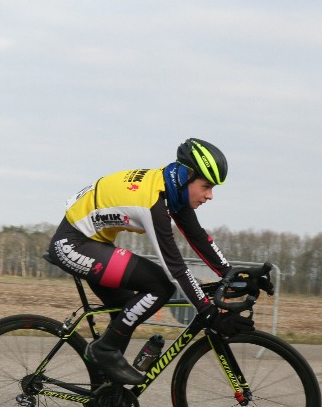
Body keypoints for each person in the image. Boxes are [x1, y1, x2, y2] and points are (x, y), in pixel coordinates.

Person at [47, 138, 258, 385]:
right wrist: (209, 313)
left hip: (94, 242)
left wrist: (233, 275)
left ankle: (106, 390)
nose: (210, 195)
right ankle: (104, 350)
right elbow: (175, 268)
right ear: (187, 176)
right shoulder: (153, 203)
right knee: (161, 285)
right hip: (72, 244)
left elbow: (197, 237)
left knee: (126, 308)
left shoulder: (170, 188)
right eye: (206, 186)